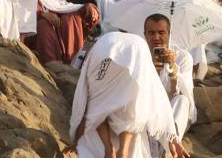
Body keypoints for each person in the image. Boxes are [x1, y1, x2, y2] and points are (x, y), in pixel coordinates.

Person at [66, 19, 179, 158]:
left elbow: (90, 98)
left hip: (104, 49)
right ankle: (123, 150)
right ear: (145, 34)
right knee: (133, 104)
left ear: (169, 34)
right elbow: (156, 95)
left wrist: (172, 68)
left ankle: (109, 150)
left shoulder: (174, 56)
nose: (156, 37)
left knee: (98, 103)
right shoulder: (141, 48)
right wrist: (172, 136)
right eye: (151, 33)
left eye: (161, 32)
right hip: (113, 50)